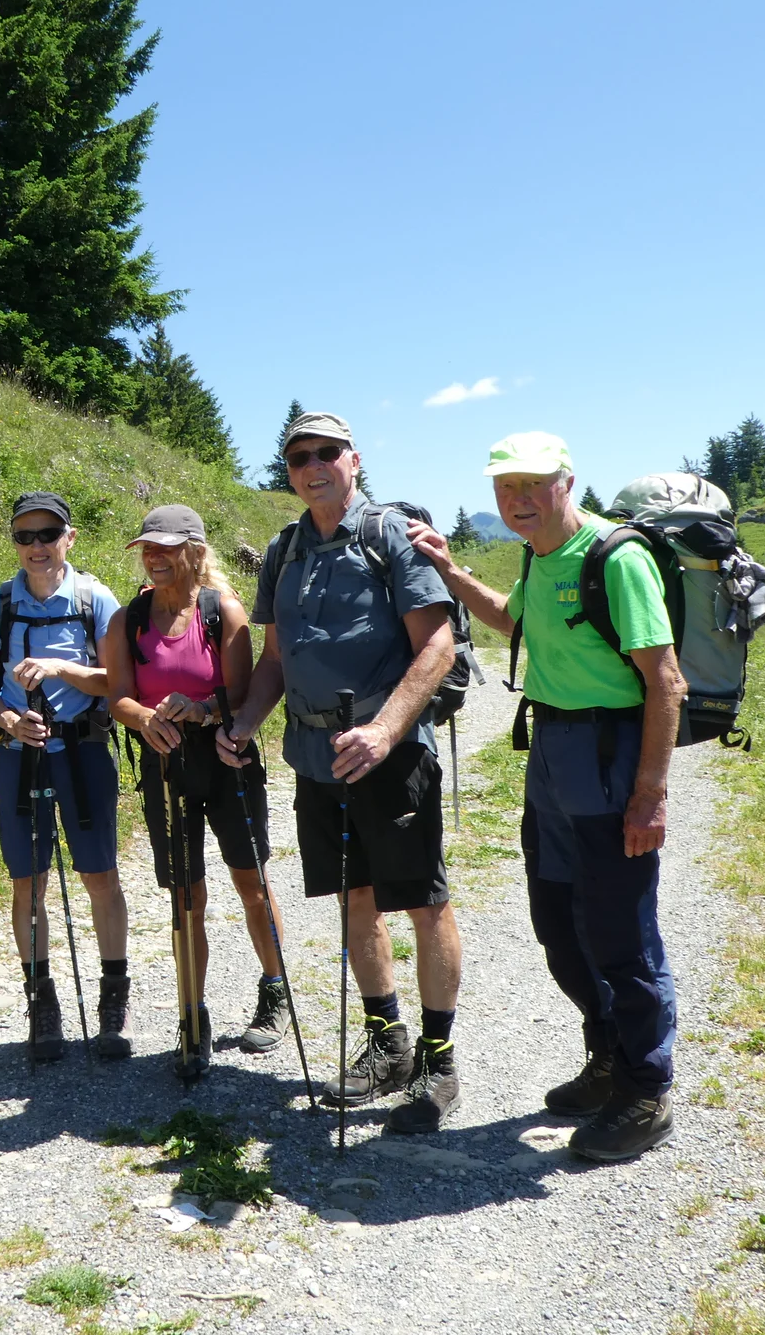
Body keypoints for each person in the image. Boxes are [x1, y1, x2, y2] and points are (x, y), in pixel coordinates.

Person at [407, 433, 684, 1161]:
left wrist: (650, 794)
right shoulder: (539, 554)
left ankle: (645, 1092)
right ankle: (607, 1059)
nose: (518, 500)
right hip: (555, 757)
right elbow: (514, 620)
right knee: (560, 922)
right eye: (506, 488)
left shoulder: (614, 558)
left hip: (608, 756)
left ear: (567, 481)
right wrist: (450, 570)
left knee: (622, 934)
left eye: (532, 485)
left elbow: (666, 681)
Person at [217, 410, 465, 1133]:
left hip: (391, 757)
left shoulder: (391, 535)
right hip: (316, 760)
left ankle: (438, 1058)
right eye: (299, 458)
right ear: (288, 472)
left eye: (327, 453)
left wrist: (387, 730)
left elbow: (439, 646)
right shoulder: (284, 549)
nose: (313, 466)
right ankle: (387, 1043)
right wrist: (243, 724)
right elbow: (273, 662)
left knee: (424, 904)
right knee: (355, 901)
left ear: (353, 459)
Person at [103, 505, 292, 1077]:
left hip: (227, 762)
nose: (153, 557)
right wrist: (144, 719)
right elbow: (117, 696)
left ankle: (275, 987)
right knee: (186, 897)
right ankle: (193, 1011)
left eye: (164, 548)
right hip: (165, 768)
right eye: (147, 548)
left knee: (251, 882)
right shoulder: (127, 619)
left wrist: (204, 709)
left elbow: (243, 694)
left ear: (193, 551)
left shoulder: (222, 611)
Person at [0, 492, 130, 1063]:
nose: (36, 547)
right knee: (27, 881)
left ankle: (114, 1000)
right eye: (24, 536)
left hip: (83, 749)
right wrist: (9, 719)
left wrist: (61, 668)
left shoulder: (95, 597)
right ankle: (42, 1003)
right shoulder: (0, 602)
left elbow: (116, 680)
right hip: (21, 754)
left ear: (70, 536)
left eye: (47, 534)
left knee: (100, 875)